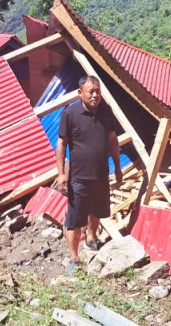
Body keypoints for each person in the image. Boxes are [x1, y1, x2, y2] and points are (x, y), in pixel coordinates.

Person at [56, 75, 122, 274]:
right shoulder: (70, 113)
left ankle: (91, 239)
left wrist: (118, 168)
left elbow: (112, 140)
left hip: (101, 174)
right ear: (80, 93)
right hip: (78, 177)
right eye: (90, 92)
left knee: (98, 212)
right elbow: (61, 144)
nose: (95, 95)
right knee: (75, 219)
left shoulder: (106, 111)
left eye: (98, 92)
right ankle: (74, 258)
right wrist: (61, 174)